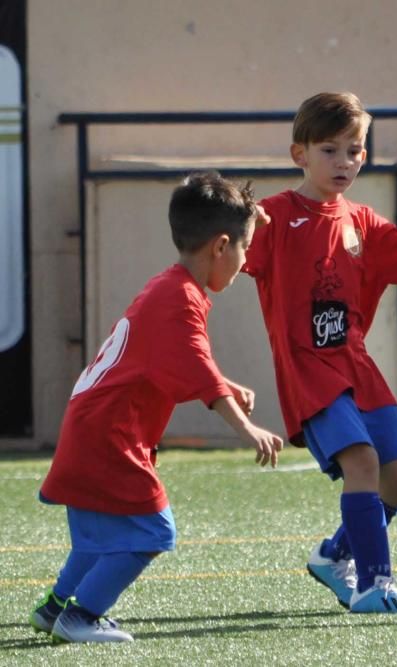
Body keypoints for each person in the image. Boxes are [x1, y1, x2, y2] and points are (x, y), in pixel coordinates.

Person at [243, 92, 397, 613]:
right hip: (309, 371)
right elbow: (222, 253)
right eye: (329, 150)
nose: (343, 162)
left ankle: (333, 556)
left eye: (353, 151)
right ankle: (375, 584)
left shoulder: (362, 222)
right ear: (298, 154)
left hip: (356, 366)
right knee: (363, 462)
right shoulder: (273, 219)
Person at [30, 172, 284, 643]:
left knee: (103, 532)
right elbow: (197, 369)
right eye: (244, 250)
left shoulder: (167, 286)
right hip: (110, 437)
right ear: (221, 246)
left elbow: (168, 359)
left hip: (93, 427)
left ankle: (53, 608)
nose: (245, 263)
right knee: (152, 531)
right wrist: (247, 427)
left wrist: (224, 381)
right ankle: (81, 616)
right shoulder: (181, 300)